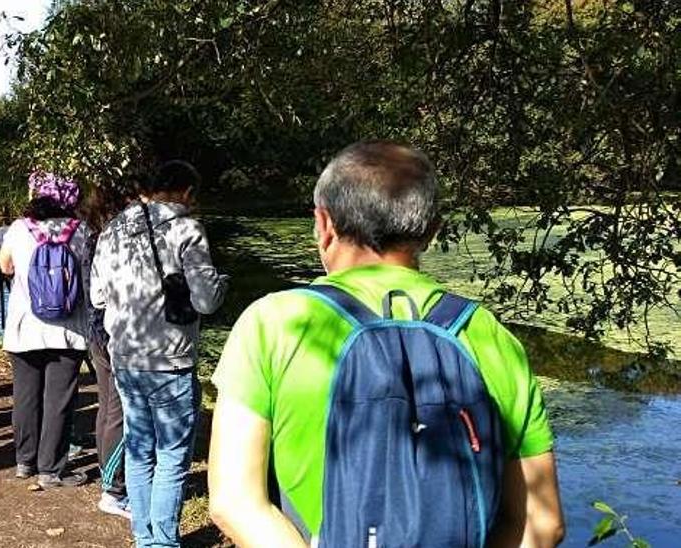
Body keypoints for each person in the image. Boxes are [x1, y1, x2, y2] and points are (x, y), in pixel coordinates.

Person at [207, 141, 565, 547]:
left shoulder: (274, 324)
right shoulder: (488, 334)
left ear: (323, 224)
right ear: (432, 231)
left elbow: (234, 501)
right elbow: (543, 522)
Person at [90, 160, 228, 547]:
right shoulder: (186, 229)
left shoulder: (113, 228)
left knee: (139, 449)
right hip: (171, 359)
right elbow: (204, 300)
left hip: (125, 357)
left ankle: (143, 537)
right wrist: (221, 283)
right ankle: (162, 542)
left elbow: (97, 296)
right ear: (186, 192)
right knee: (171, 455)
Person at [0, 172, 92, 489]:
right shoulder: (81, 232)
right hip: (68, 329)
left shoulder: (18, 229)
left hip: (24, 326)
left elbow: (5, 266)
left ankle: (25, 461)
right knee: (59, 399)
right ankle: (51, 469)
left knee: (25, 396)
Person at [81, 183, 135, 519]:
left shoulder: (92, 236)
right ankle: (114, 489)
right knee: (117, 410)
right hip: (108, 333)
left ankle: (110, 479)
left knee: (107, 407)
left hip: (93, 332)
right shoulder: (109, 240)